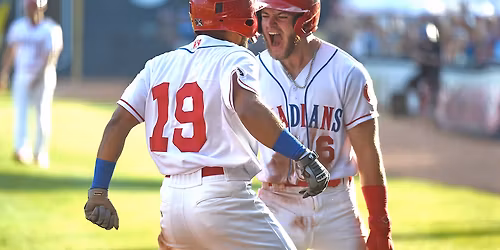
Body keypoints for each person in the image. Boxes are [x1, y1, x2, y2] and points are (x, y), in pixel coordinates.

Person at [83, 0, 330, 249]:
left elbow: (117, 123)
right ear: (242, 17)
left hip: (171, 203)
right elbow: (248, 108)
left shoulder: (158, 64)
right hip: (222, 198)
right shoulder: (236, 57)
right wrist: (302, 155)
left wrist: (98, 191)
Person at [255, 0, 394, 249]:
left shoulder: (347, 72)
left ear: (307, 21)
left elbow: (367, 152)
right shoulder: (253, 72)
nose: (270, 24)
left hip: (336, 203)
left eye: (282, 17)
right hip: (275, 202)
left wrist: (380, 223)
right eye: (265, 15)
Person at [0, 0, 63, 168]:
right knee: (20, 113)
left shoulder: (51, 29)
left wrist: (38, 76)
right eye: (29, 7)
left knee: (42, 113)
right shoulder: (18, 27)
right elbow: (11, 50)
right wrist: (4, 73)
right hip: (22, 75)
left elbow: (52, 56)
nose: (31, 10)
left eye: (34, 6)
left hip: (44, 77)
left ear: (43, 7)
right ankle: (21, 149)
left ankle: (40, 153)